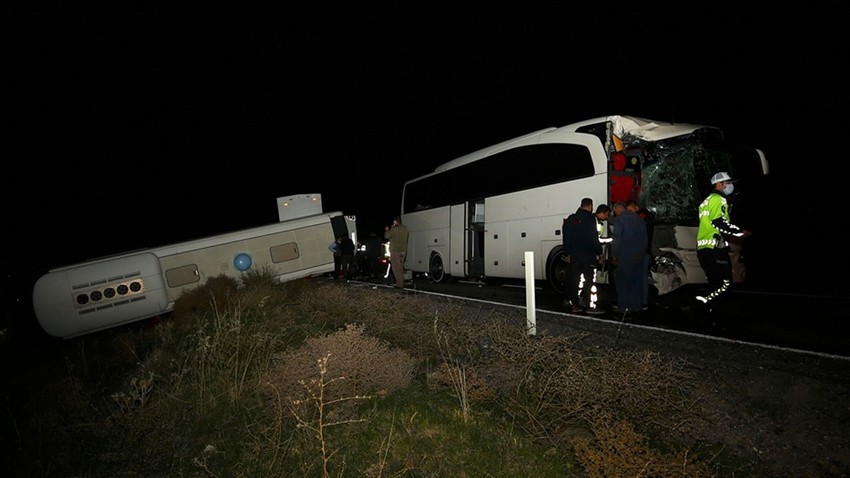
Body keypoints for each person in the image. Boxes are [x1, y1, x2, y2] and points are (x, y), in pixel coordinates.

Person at [696, 172, 750, 308]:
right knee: (724, 284)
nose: (730, 186)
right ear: (719, 184)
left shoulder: (706, 201)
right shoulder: (718, 199)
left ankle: (708, 311)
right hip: (714, 249)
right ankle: (699, 304)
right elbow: (718, 222)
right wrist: (739, 232)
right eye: (728, 183)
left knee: (716, 284)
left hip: (705, 249)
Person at [562, 198, 604, 313]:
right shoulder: (590, 218)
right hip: (588, 255)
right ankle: (588, 305)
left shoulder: (571, 219)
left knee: (575, 280)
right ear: (590, 206)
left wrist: (568, 253)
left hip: (575, 256)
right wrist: (599, 253)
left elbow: (566, 238)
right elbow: (593, 238)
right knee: (589, 280)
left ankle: (575, 305)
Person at [610, 201, 648, 313]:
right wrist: (642, 253)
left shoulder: (619, 220)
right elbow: (645, 239)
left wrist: (614, 256)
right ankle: (637, 305)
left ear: (617, 209)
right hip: (639, 255)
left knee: (623, 282)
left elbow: (617, 239)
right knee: (637, 281)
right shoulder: (639, 219)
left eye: (614, 211)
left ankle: (624, 306)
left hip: (625, 256)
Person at [626, 200, 653, 310]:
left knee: (640, 278)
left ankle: (641, 302)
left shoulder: (643, 217)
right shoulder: (645, 217)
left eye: (630, 210)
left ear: (636, 207)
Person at [384, 215, 409, 289]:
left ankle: (399, 284)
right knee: (400, 267)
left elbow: (387, 236)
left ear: (395, 221)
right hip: (403, 251)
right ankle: (401, 282)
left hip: (395, 251)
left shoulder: (394, 229)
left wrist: (387, 229)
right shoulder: (406, 229)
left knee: (396, 268)